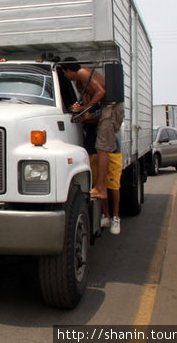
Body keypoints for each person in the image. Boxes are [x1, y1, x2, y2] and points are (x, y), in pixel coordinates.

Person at [61, 57, 124, 231]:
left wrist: (83, 108)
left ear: (67, 70)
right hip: (109, 108)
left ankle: (101, 187)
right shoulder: (85, 76)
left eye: (65, 74)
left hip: (111, 107)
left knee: (102, 148)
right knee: (100, 147)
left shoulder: (82, 73)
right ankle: (102, 194)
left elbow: (101, 92)